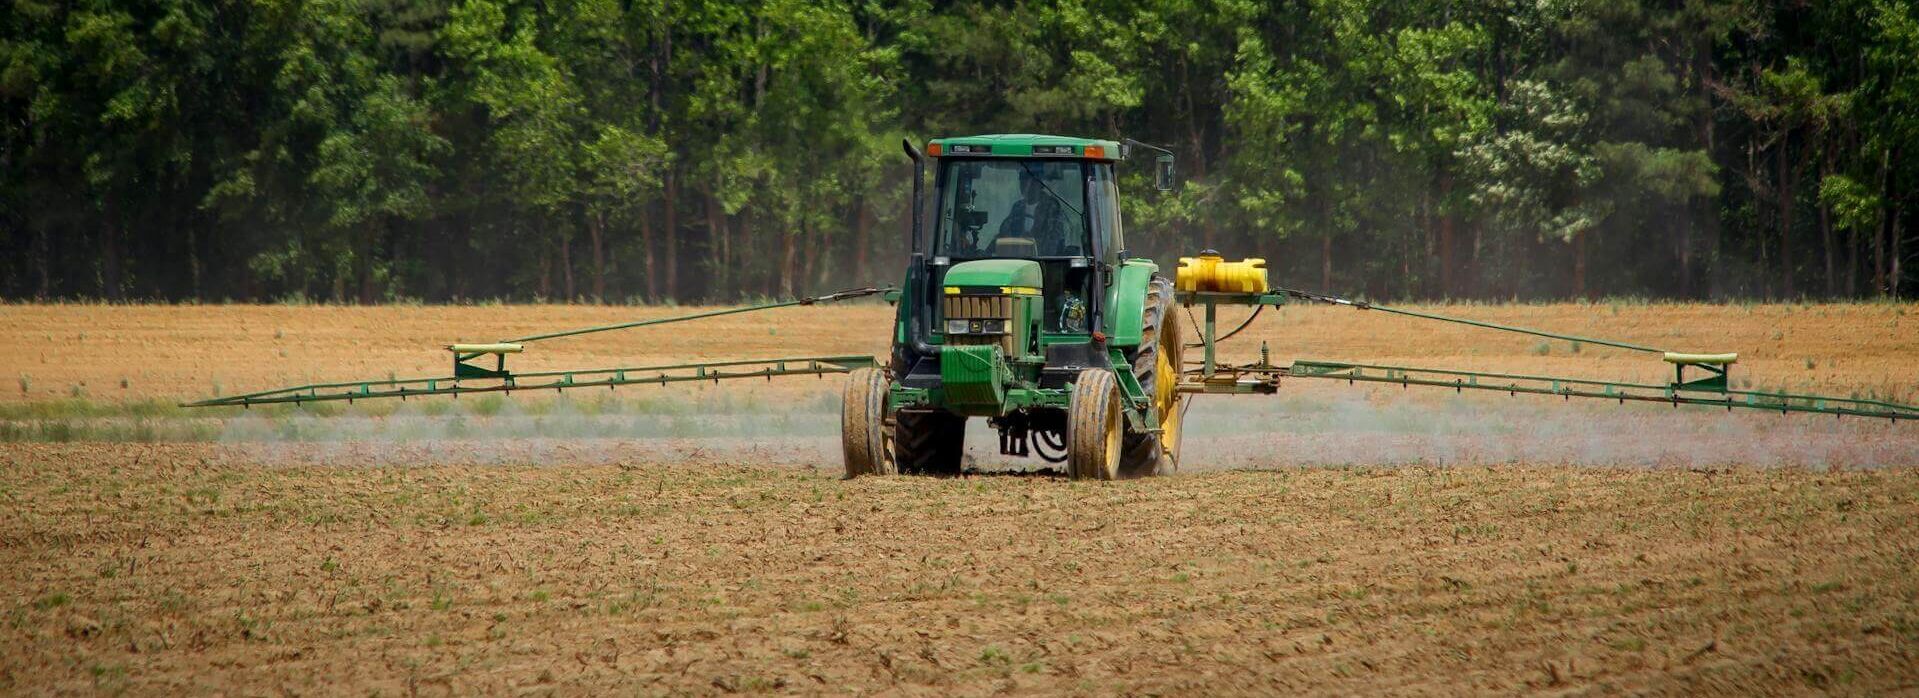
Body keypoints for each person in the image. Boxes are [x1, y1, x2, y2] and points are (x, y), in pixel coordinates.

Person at [994, 168, 1069, 255]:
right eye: (1022, 182)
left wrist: (1031, 239)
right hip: (1017, 258)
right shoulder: (1018, 207)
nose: (1026, 186)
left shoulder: (1052, 206)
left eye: (1031, 182)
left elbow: (1054, 240)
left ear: (1040, 185)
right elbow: (1005, 230)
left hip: (1044, 261)